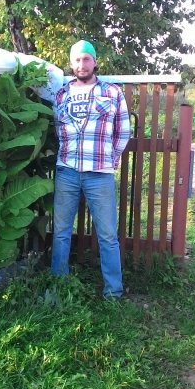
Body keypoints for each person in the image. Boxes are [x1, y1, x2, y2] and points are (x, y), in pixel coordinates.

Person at [50, 40, 131, 299]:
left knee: (107, 235)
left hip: (100, 173)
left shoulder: (112, 93)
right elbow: (57, 129)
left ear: (95, 62)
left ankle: (113, 293)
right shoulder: (61, 95)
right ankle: (59, 286)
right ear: (71, 63)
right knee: (61, 232)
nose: (81, 64)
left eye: (86, 59)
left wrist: (112, 157)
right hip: (67, 172)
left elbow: (123, 130)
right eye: (76, 60)